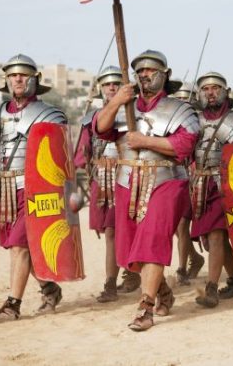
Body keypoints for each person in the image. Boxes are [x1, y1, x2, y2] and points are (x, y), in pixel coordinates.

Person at [93, 50, 200, 331]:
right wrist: (116, 100)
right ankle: (163, 292)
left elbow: (184, 146)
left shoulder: (180, 110)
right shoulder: (125, 106)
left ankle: (146, 306)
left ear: (164, 74)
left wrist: (146, 141)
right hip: (127, 179)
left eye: (151, 70)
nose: (144, 74)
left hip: (167, 180)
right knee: (129, 251)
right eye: (140, 71)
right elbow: (100, 128)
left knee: (152, 241)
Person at [0, 54, 67, 322]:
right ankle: (49, 289)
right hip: (6, 189)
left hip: (37, 190)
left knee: (20, 247)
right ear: (6, 80)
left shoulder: (49, 115)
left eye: (23, 74)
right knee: (14, 245)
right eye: (13, 74)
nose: (17, 78)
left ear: (35, 80)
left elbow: (60, 157)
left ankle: (12, 306)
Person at [75, 66, 138, 302]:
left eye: (116, 84)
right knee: (111, 231)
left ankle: (123, 278)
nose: (111, 87)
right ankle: (119, 279)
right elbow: (82, 156)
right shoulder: (90, 119)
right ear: (101, 89)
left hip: (129, 177)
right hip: (102, 181)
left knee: (124, 229)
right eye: (107, 84)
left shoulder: (133, 115)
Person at [190, 71, 233, 307]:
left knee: (217, 234)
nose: (210, 93)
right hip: (201, 184)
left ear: (226, 92)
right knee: (216, 240)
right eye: (205, 89)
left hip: (226, 184)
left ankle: (211, 288)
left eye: (215, 88)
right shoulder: (192, 120)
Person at [171, 80, 206, 285]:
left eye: (187, 99)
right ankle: (195, 257)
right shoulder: (171, 124)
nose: (183, 102)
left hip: (199, 179)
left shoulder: (201, 123)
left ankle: (182, 269)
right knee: (177, 226)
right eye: (180, 99)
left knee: (183, 224)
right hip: (176, 178)